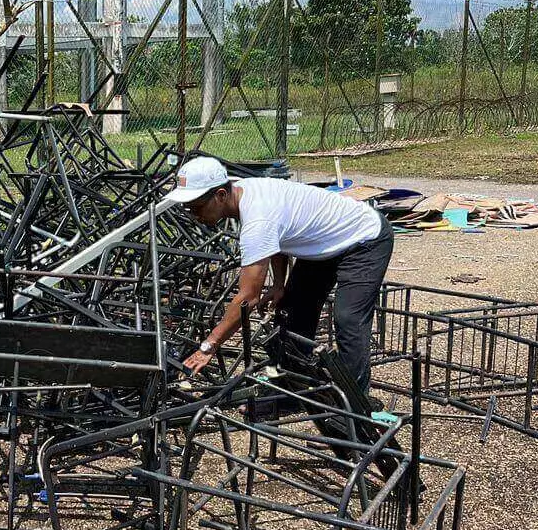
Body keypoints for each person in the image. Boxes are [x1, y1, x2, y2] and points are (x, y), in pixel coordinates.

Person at [166, 156, 393, 392]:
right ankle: (292, 390)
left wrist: (210, 345)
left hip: (364, 238)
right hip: (325, 242)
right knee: (292, 310)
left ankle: (355, 403)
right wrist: (278, 284)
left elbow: (247, 298)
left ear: (221, 195)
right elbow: (275, 240)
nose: (194, 215)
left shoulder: (258, 219)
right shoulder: (244, 191)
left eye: (196, 207)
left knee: (348, 318)